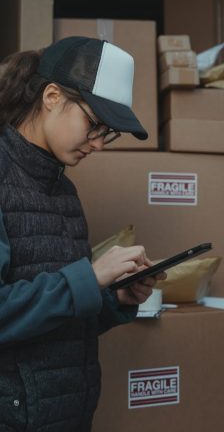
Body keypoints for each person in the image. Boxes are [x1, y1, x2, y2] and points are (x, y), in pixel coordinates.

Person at [0, 36, 165, 430]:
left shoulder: (64, 191)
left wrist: (114, 297)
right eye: (94, 124)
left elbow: (60, 317)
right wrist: (89, 277)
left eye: (107, 133)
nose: (98, 144)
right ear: (52, 96)